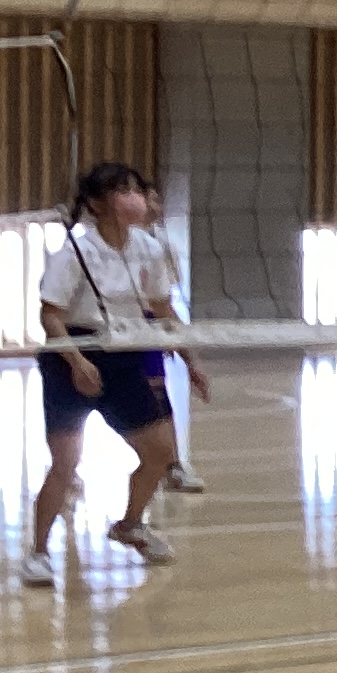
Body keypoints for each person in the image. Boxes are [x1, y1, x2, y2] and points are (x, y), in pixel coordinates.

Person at [26, 161, 183, 584]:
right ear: (97, 204)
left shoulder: (149, 248)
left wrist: (192, 358)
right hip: (71, 355)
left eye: (136, 189)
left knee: (160, 452)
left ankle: (130, 525)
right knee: (65, 463)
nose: (135, 198)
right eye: (122, 190)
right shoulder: (75, 252)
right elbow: (50, 315)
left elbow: (162, 308)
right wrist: (78, 362)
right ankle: (38, 552)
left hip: (123, 355)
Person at [123, 170, 209, 494]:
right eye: (151, 198)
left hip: (149, 325)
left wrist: (175, 340)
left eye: (158, 199)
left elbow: (165, 301)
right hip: (118, 326)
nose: (157, 205)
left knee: (157, 392)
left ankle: (171, 465)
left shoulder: (162, 243)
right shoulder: (115, 241)